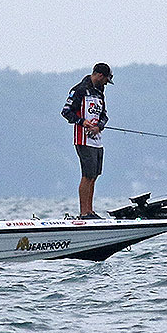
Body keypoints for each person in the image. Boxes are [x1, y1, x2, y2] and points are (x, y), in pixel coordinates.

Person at [61, 63, 113, 218]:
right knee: (87, 175)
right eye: (106, 80)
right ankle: (84, 213)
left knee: (94, 175)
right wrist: (82, 122)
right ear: (100, 75)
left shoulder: (100, 92)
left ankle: (90, 211)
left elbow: (104, 116)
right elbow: (66, 112)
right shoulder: (79, 90)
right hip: (83, 139)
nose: (106, 84)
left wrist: (99, 126)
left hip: (97, 140)